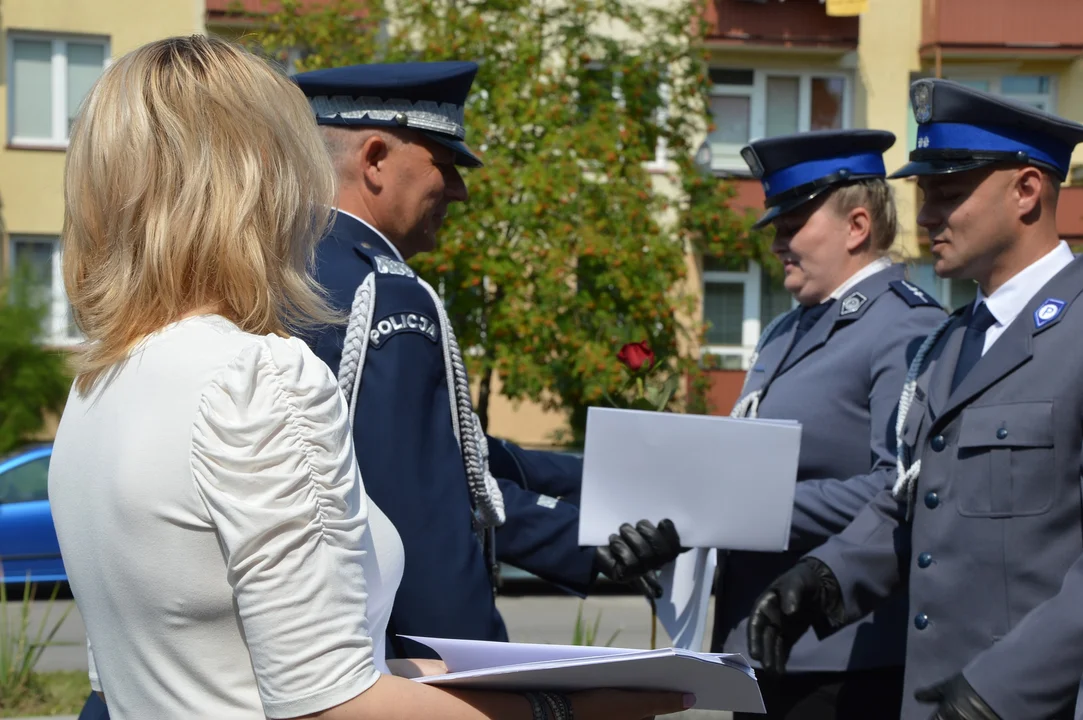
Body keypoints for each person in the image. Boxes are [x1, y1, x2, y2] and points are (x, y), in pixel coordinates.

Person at [50, 35, 692, 720]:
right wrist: (564, 709)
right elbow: (334, 692)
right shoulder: (268, 367)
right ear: (263, 176)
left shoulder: (103, 380)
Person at [294, 61, 684, 658]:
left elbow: (452, 459)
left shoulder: (281, 265)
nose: (459, 190)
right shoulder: (388, 293)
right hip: (379, 660)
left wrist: (600, 501)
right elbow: (420, 516)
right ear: (374, 159)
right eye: (443, 166)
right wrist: (478, 672)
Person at [747, 79, 1083, 720]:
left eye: (948, 194)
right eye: (925, 194)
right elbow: (914, 497)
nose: (926, 216)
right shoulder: (954, 341)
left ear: (1028, 191)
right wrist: (824, 579)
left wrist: (1006, 688)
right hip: (932, 697)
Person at [709, 129, 946, 720]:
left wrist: (749, 507)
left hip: (842, 653)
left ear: (857, 227)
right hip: (761, 645)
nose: (779, 244)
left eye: (793, 226)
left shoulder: (905, 327)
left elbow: (897, 485)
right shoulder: (788, 330)